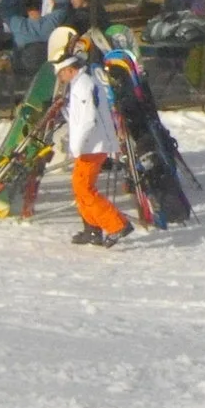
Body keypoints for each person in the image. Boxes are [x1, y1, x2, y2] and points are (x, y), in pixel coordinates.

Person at [55, 27, 133, 247]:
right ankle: (92, 228)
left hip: (91, 145)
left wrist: (77, 146)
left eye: (61, 73)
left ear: (70, 70)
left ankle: (117, 224)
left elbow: (88, 119)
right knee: (79, 187)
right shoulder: (82, 83)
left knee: (84, 189)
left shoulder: (83, 85)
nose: (60, 78)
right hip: (91, 144)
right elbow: (81, 115)